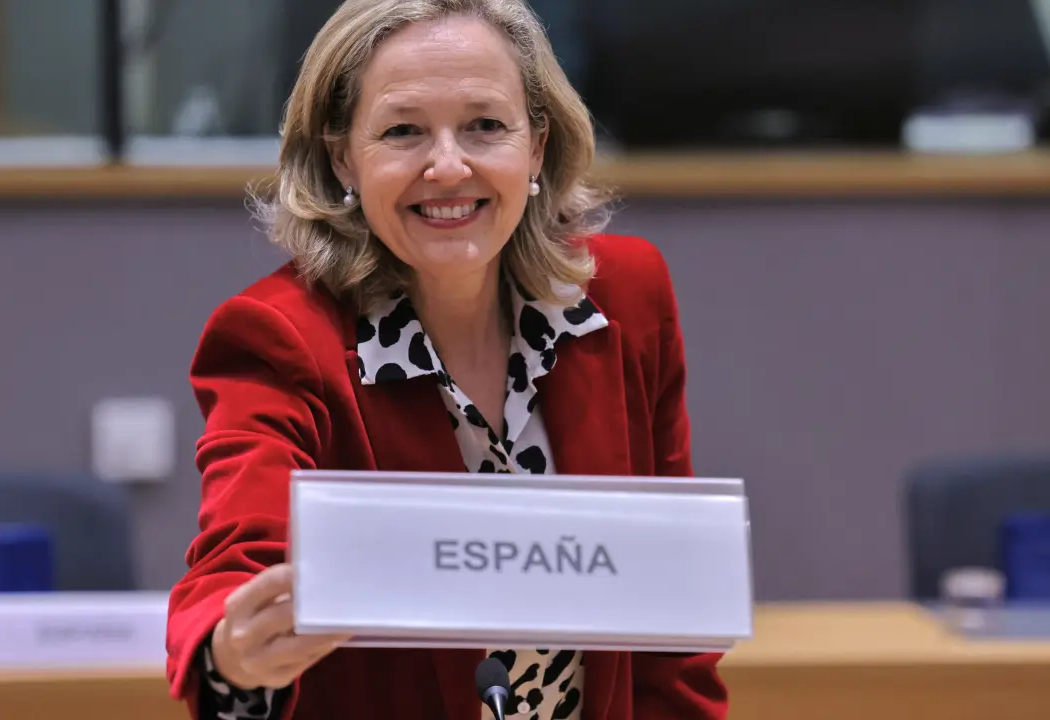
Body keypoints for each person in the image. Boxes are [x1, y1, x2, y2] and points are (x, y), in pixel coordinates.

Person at [166, 0, 728, 718]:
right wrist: (235, 654)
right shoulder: (281, 338)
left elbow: (670, 625)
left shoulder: (625, 297)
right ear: (343, 157)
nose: (448, 166)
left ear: (536, 145)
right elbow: (241, 557)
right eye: (403, 131)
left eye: (485, 125)